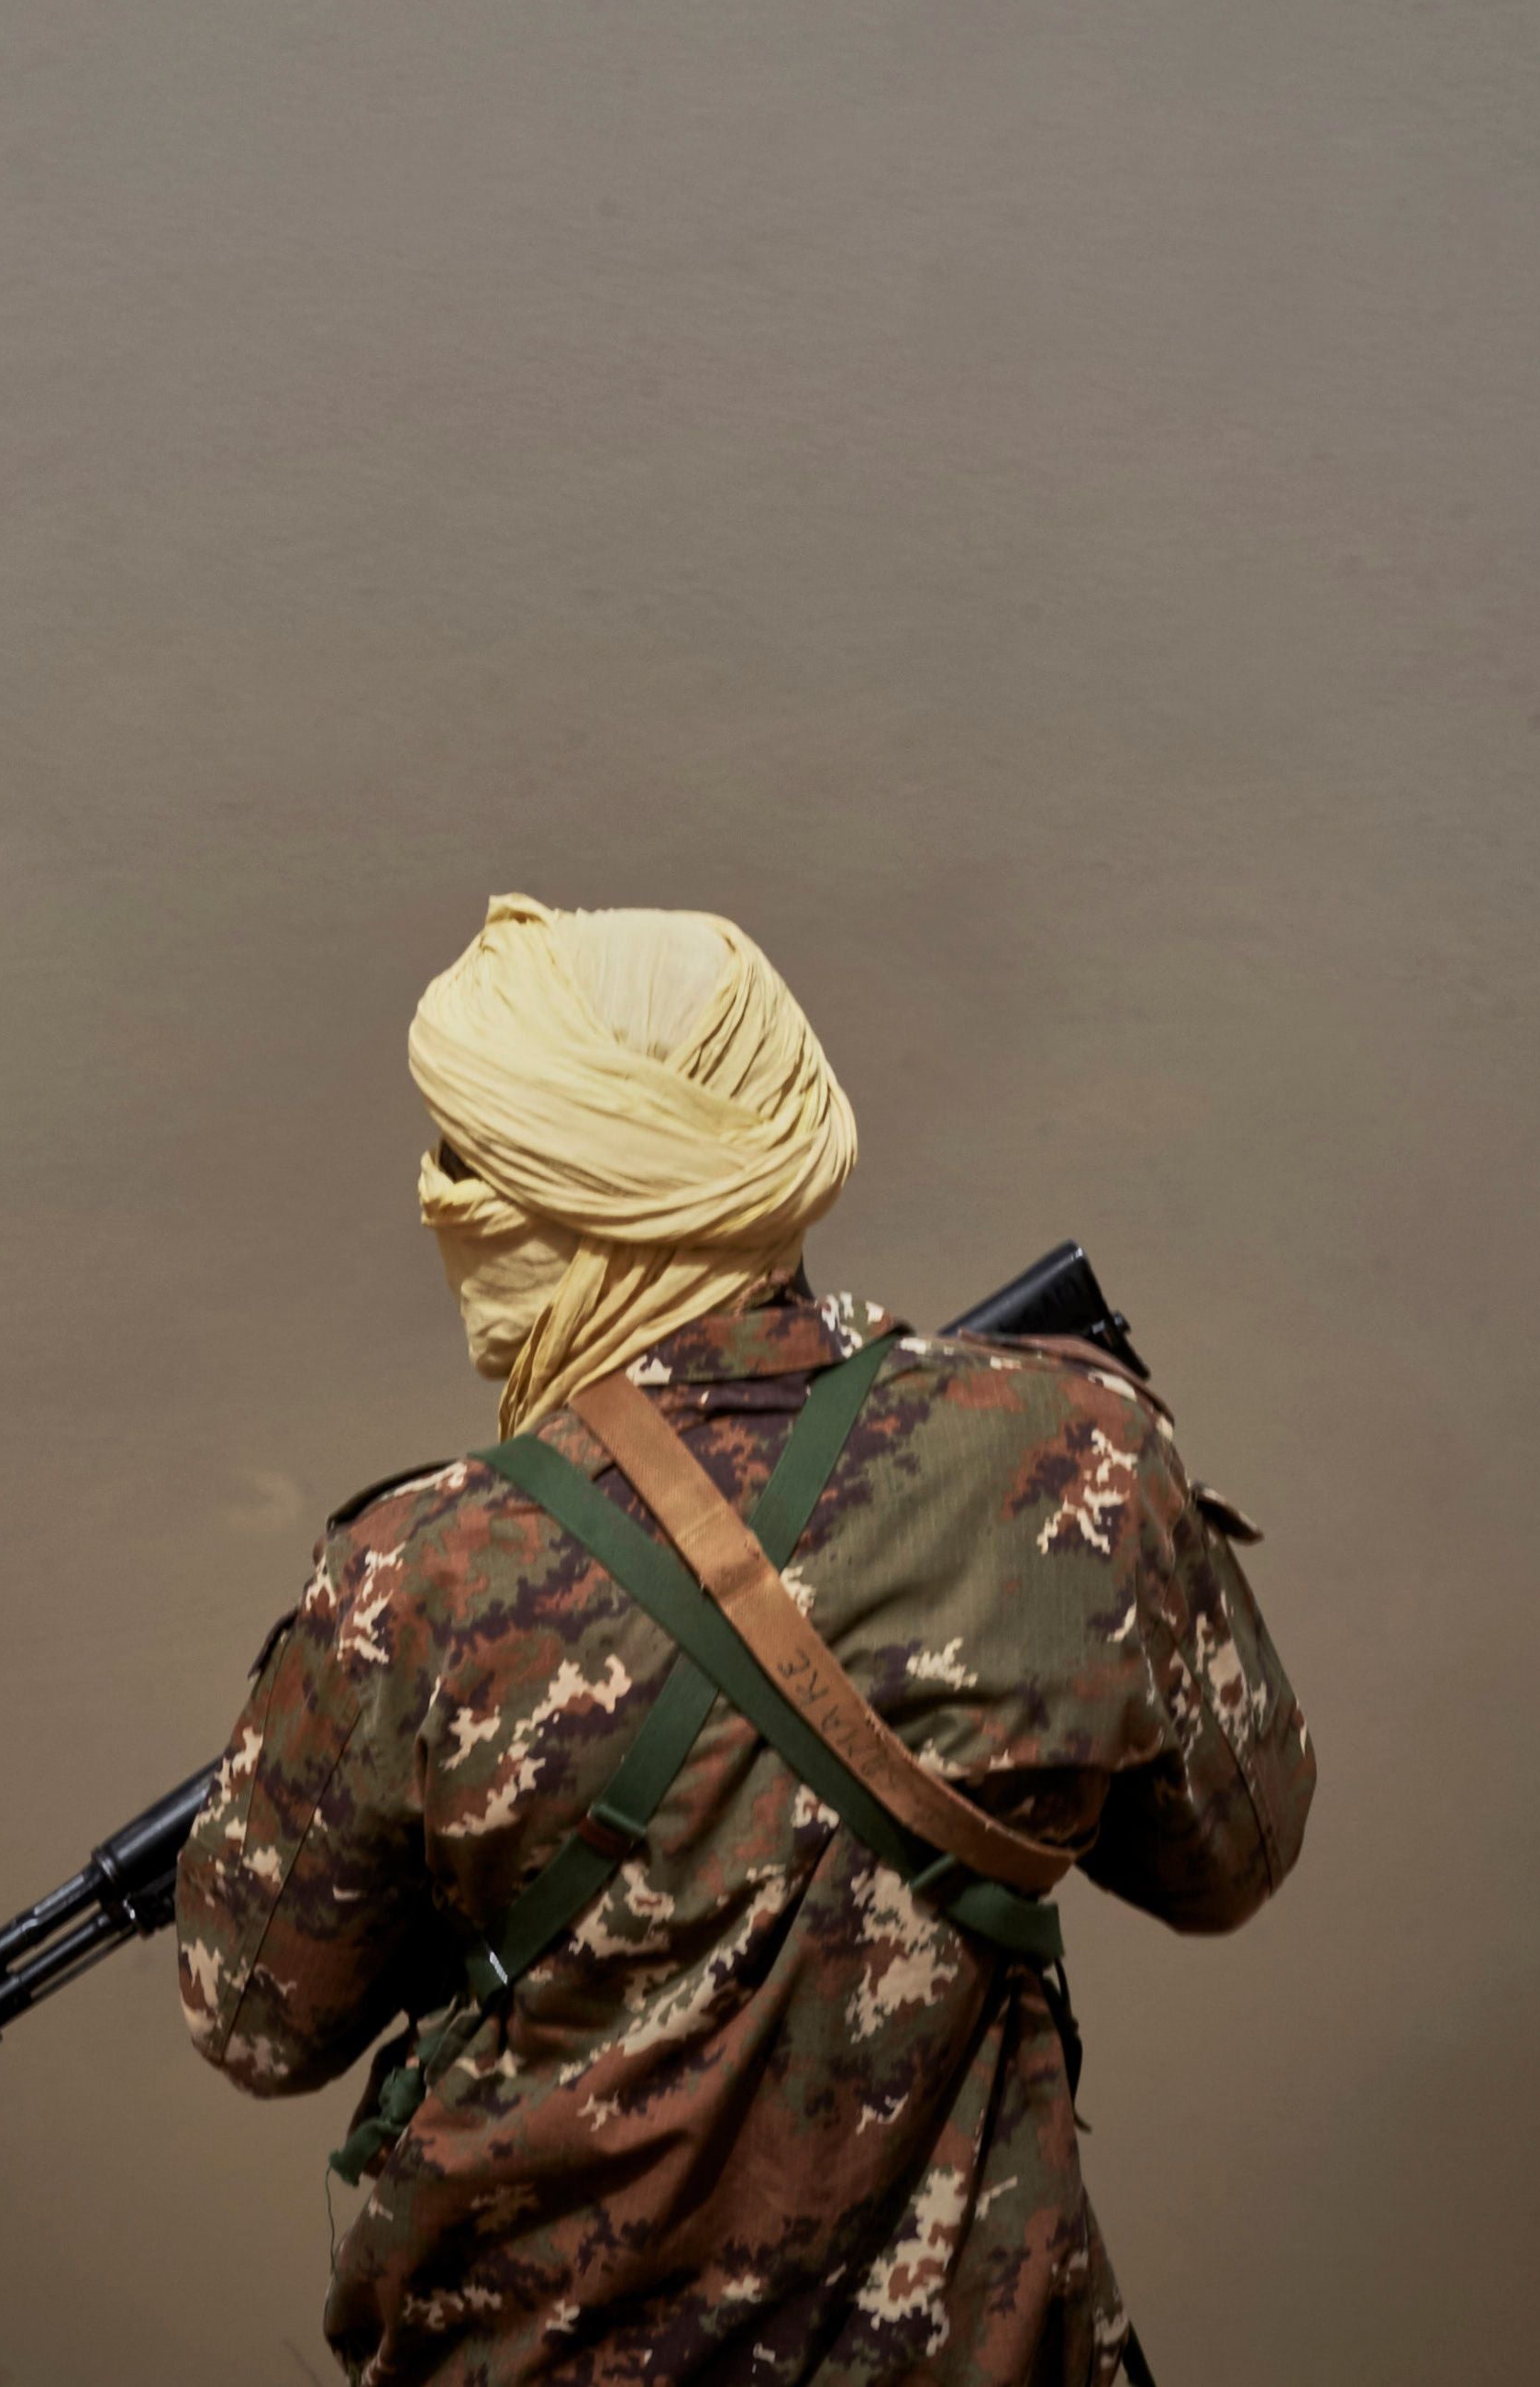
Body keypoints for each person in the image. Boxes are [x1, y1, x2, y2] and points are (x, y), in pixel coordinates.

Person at [175, 894, 1313, 2384]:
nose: (434, 1198)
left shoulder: (420, 1578)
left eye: (467, 1164)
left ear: (571, 1194)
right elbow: (1236, 1853)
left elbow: (256, 2018)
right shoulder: (1078, 1456)